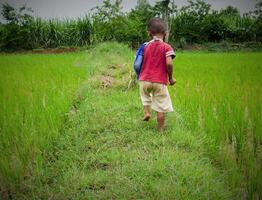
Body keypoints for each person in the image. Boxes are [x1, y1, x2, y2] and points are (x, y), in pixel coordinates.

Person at [137, 17, 176, 132]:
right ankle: (160, 130)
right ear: (165, 33)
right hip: (159, 81)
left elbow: (138, 62)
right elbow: (169, 63)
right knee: (161, 106)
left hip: (144, 80)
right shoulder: (166, 47)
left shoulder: (145, 46)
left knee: (145, 96)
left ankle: (147, 112)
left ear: (149, 32)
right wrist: (171, 78)